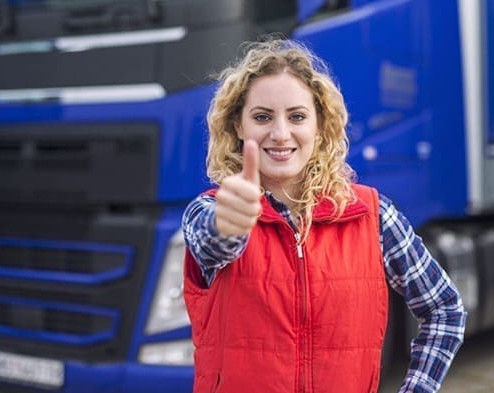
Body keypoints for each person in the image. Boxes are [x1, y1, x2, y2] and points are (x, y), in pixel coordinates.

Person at [182, 38, 466, 393]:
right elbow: (214, 244)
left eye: (297, 116)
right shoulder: (208, 211)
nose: (281, 133)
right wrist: (230, 224)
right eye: (262, 117)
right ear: (238, 126)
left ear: (319, 127)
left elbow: (445, 311)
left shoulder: (374, 216)